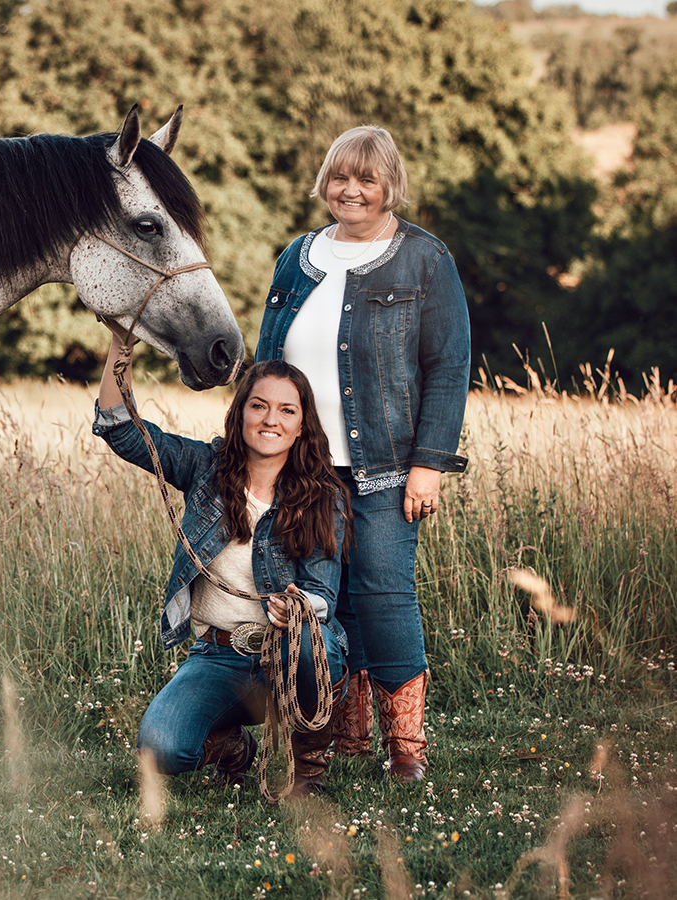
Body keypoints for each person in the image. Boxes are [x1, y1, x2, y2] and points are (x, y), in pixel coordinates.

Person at [255, 125, 471, 782]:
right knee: (328, 598)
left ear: (389, 186)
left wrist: (429, 464)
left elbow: (448, 367)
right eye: (340, 177)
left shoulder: (424, 259)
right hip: (306, 469)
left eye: (366, 179)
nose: (350, 190)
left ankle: (406, 748)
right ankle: (346, 736)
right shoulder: (297, 257)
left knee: (383, 593)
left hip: (388, 467)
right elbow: (267, 363)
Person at [93, 332, 350, 798]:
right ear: (240, 413)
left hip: (288, 656)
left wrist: (298, 609)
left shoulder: (322, 495)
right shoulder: (204, 466)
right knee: (161, 749)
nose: (270, 419)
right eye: (259, 406)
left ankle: (307, 770)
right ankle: (235, 748)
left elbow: (323, 594)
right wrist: (120, 347)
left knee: (313, 646)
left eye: (287, 411)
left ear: (301, 426)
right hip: (219, 656)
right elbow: (122, 430)